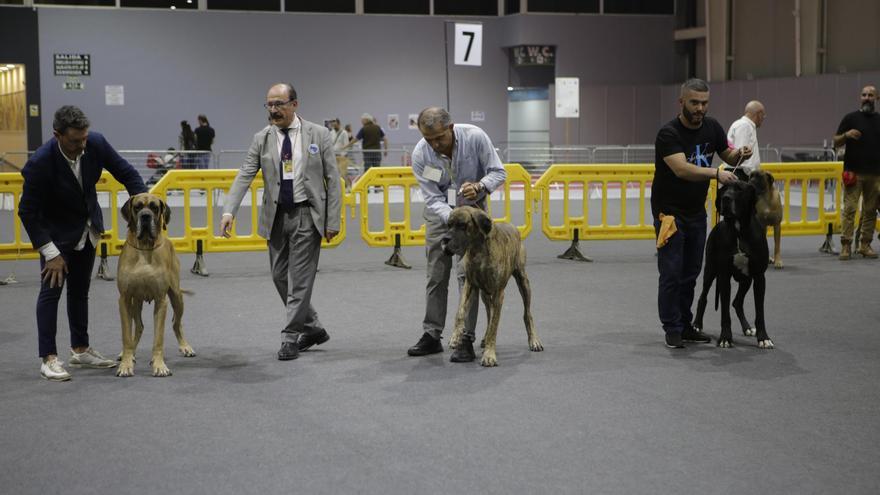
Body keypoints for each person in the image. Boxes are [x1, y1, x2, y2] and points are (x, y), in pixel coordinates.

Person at [18, 105, 148, 380]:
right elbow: (27, 212)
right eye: (75, 141)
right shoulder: (40, 163)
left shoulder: (96, 143)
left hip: (88, 230)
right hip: (55, 236)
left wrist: (144, 205)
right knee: (50, 292)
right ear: (58, 135)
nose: (82, 144)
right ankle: (49, 358)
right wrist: (50, 252)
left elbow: (128, 174)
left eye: (84, 138)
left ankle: (80, 349)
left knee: (80, 291)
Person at [220, 83, 341, 361]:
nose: (273, 110)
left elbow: (334, 181)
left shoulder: (318, 135)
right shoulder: (261, 138)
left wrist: (332, 220)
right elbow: (245, 175)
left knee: (300, 279)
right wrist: (229, 211)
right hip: (275, 217)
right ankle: (313, 328)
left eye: (279, 104)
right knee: (278, 276)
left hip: (306, 216)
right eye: (269, 105)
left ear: (295, 104)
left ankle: (290, 337)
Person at [651, 78, 748, 349]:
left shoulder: (713, 127)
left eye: (704, 103)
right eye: (694, 102)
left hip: (696, 212)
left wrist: (739, 152)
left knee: (691, 271)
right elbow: (682, 169)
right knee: (671, 271)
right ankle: (672, 328)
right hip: (669, 214)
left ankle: (685, 324)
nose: (700, 108)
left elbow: (727, 154)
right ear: (681, 102)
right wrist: (716, 173)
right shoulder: (668, 133)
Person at [407, 106, 507, 362]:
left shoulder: (475, 137)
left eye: (439, 138)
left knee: (468, 276)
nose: (435, 144)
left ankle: (466, 338)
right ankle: (432, 335)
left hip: (474, 216)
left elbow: (499, 172)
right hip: (441, 214)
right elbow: (432, 197)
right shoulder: (420, 153)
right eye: (428, 139)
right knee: (436, 275)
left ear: (451, 128)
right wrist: (452, 219)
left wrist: (481, 186)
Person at [833, 85, 880, 260]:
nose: (867, 97)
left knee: (870, 211)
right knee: (850, 209)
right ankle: (846, 245)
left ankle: (865, 245)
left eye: (870, 95)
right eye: (864, 95)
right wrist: (846, 135)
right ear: (860, 97)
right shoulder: (850, 118)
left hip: (875, 174)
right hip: (853, 173)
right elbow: (836, 141)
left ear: (877, 99)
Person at [726, 100, 766, 179]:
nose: (764, 118)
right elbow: (741, 155)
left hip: (740, 173)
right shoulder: (745, 126)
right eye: (763, 115)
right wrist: (751, 177)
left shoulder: (744, 125)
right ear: (759, 114)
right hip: (740, 174)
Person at [329, 118, 351, 189]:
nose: (333, 126)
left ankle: (348, 187)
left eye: (335, 124)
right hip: (333, 156)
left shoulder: (344, 132)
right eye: (332, 125)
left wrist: (343, 155)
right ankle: (339, 188)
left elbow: (346, 144)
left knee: (343, 173)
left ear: (338, 124)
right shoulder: (331, 132)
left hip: (342, 157)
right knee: (335, 173)